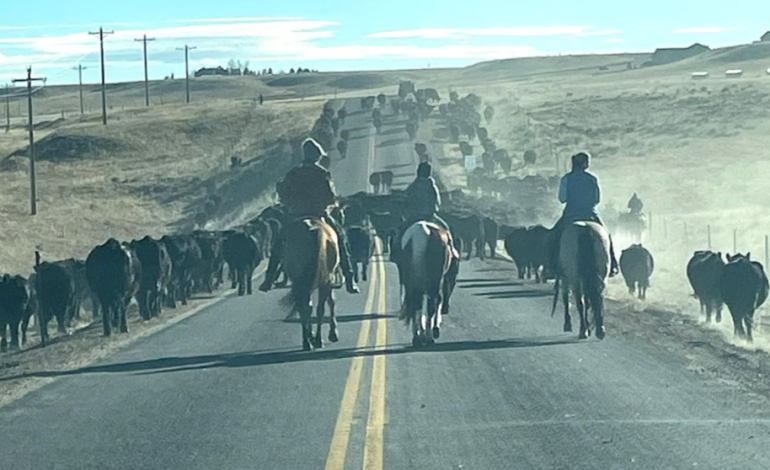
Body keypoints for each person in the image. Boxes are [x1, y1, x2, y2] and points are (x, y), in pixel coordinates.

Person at [258, 138, 360, 294]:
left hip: (296, 215)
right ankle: (350, 278)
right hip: (319, 214)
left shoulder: (293, 173)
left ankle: (269, 278)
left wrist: (292, 203)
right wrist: (332, 203)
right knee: (340, 236)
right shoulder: (323, 173)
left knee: (279, 242)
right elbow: (329, 196)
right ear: (318, 156)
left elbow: (284, 194)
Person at [544, 152, 619, 279]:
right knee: (606, 236)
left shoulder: (566, 178)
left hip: (570, 214)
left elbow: (562, 198)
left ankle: (550, 267)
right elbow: (597, 199)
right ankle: (612, 265)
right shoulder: (592, 179)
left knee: (553, 236)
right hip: (590, 214)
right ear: (585, 164)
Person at [400, 162, 459, 259]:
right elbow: (438, 202)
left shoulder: (413, 187)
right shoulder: (432, 186)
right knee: (447, 229)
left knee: (400, 232)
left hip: (414, 217)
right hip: (430, 216)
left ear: (418, 172)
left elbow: (406, 201)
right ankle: (452, 251)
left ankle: (395, 254)